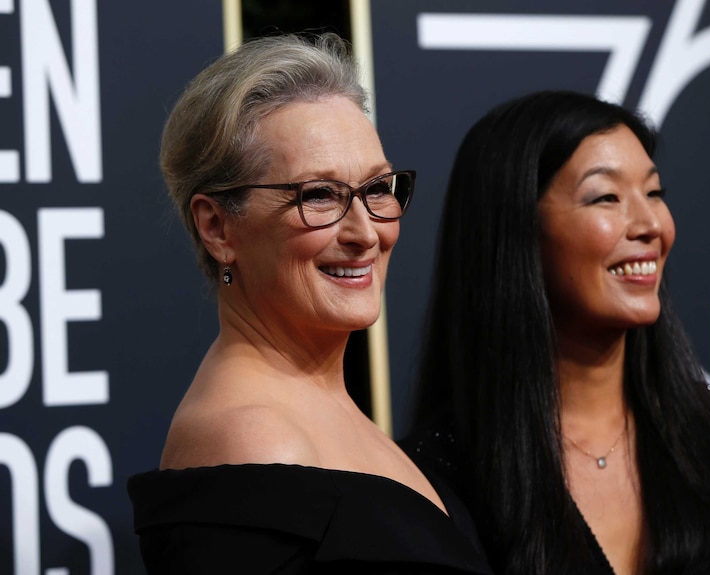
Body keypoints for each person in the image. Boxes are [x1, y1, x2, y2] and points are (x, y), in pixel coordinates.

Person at [127, 33, 491, 574]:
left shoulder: (319, 407)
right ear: (217, 226)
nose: (366, 232)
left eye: (377, 188)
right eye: (318, 195)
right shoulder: (252, 437)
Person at [404, 90, 710, 575]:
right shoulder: (438, 475)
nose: (651, 224)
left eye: (654, 193)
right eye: (606, 197)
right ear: (517, 231)